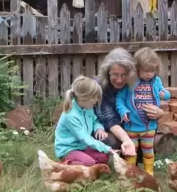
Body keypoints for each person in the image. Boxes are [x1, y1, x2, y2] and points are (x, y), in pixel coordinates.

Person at [95, 48, 163, 157]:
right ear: (107, 73)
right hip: (105, 128)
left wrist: (160, 113)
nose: (119, 80)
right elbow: (110, 122)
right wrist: (128, 141)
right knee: (112, 142)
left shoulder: (137, 82)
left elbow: (151, 100)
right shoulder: (100, 88)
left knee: (151, 139)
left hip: (132, 127)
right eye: (115, 75)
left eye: (123, 75)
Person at [116, 47, 170, 175]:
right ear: (137, 68)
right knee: (131, 151)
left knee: (148, 150)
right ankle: (131, 172)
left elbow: (165, 93)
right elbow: (120, 98)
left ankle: (149, 172)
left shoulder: (156, 81)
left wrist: (165, 94)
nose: (149, 74)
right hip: (131, 126)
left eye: (152, 71)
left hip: (149, 126)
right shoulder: (130, 82)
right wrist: (123, 111)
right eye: (146, 71)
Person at [55, 76, 114, 166]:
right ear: (84, 97)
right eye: (95, 97)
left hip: (82, 147)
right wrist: (107, 148)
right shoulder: (70, 116)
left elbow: (95, 120)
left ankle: (86, 170)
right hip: (69, 149)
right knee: (89, 162)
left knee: (104, 157)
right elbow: (84, 138)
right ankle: (63, 165)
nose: (97, 100)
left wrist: (99, 129)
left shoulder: (87, 108)